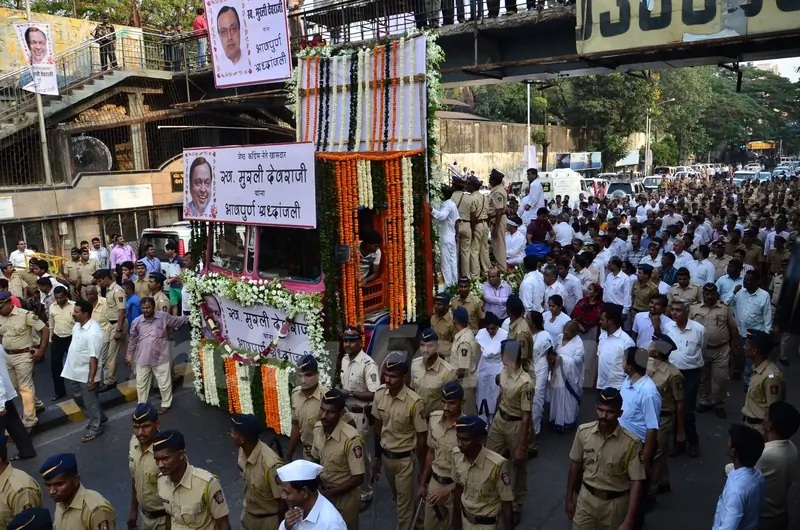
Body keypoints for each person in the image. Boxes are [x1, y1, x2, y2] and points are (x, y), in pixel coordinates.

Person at [565, 388, 646, 530]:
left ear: (620, 413)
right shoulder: (583, 433)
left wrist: (629, 520)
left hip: (614, 506)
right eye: (600, 410)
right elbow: (575, 465)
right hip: (586, 499)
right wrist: (569, 498)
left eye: (610, 412)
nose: (604, 416)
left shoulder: (632, 444)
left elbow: (636, 482)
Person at [371, 352, 427, 530]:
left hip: (405, 461)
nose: (387, 380)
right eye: (386, 375)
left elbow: (421, 438)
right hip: (386, 458)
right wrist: (377, 458)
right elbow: (377, 429)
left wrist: (422, 469)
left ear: (404, 377)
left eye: (393, 376)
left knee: (403, 506)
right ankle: (417, 523)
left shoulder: (414, 402)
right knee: (399, 498)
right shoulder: (379, 394)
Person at [486, 339, 532, 524]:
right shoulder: (504, 371)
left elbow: (526, 416)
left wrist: (522, 445)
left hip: (516, 425)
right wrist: (493, 418)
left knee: (518, 466)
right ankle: (491, 495)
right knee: (489, 457)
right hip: (500, 419)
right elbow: (501, 394)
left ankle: (516, 504)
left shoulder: (525, 382)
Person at [155, 430, 232, 529]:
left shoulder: (207, 484)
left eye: (165, 458)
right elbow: (170, 516)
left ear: (181, 454)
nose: (160, 465)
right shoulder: (161, 481)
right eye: (157, 460)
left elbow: (223, 524)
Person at [618, 347, 661, 524]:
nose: (622, 363)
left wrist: (645, 458)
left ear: (629, 366)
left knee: (637, 489)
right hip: (622, 442)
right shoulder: (627, 381)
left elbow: (652, 429)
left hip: (638, 446)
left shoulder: (648, 392)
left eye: (623, 360)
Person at [125, 297, 189, 414]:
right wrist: (129, 356)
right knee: (141, 385)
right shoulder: (137, 322)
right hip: (142, 358)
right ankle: (142, 405)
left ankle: (166, 404)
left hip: (161, 358)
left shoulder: (163, 317)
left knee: (164, 384)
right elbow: (132, 340)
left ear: (153, 307)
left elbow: (177, 321)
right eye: (143, 308)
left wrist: (192, 317)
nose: (145, 310)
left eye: (148, 307)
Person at [338, 326, 380, 503]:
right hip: (345, 413)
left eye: (352, 340)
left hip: (360, 416)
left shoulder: (368, 365)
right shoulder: (344, 360)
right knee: (349, 452)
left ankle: (365, 492)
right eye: (346, 340)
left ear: (360, 342)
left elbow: (375, 393)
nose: (348, 344)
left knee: (359, 455)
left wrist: (350, 394)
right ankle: (354, 484)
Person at [310, 390, 363, 529]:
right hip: (322, 492)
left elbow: (358, 478)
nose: (323, 416)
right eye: (322, 409)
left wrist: (327, 493)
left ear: (341, 413)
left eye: (330, 412)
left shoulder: (351, 439)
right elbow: (315, 459)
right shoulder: (317, 429)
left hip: (345, 499)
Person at [0, 291, 49, 433]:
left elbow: (44, 329)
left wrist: (41, 350)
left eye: (1, 307)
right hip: (7, 356)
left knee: (25, 387)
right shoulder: (1, 316)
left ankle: (29, 420)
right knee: (15, 386)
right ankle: (37, 404)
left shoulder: (25, 315)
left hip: (23, 356)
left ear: (9, 303)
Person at [663, 298, 706, 458]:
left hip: (691, 374)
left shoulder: (699, 329)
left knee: (687, 410)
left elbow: (703, 346)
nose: (674, 313)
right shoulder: (668, 327)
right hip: (672, 372)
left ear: (687, 312)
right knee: (673, 409)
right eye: (672, 309)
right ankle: (678, 443)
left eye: (678, 310)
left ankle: (693, 442)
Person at [690, 283, 739, 419]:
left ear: (717, 294)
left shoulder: (724, 308)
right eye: (707, 294)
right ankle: (705, 401)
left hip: (721, 350)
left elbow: (733, 328)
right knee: (703, 378)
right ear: (703, 294)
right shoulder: (694, 308)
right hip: (702, 350)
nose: (710, 296)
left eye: (712, 294)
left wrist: (736, 346)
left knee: (721, 378)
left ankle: (719, 404)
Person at [418, 381, 463, 530]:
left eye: (451, 403)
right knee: (430, 526)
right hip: (435, 483)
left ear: (461, 402)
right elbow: (430, 453)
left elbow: (470, 470)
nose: (446, 408)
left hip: (456, 488)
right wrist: (423, 483)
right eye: (443, 402)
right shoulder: (434, 419)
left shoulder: (467, 428)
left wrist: (448, 489)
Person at [748, 402, 799, 530]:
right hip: (780, 513)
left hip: (763, 519)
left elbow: (739, 472)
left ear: (770, 425)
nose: (763, 417)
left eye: (766, 415)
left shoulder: (765, 454)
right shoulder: (792, 448)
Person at [62, 300, 106, 442]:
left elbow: (94, 358)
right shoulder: (77, 326)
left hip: (87, 374)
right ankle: (99, 417)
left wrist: (91, 380)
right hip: (73, 372)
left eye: (76, 311)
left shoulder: (93, 332)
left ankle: (95, 427)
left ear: (85, 314)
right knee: (77, 398)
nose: (73, 313)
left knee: (89, 402)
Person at [232, 413, 285, 530]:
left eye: (234, 433)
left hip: (268, 522)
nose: (231, 435)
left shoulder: (271, 465)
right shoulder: (242, 450)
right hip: (248, 516)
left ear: (242, 439)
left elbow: (282, 500)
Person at [646, 334, 684, 497]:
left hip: (663, 418)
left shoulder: (674, 375)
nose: (649, 346)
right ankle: (663, 481)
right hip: (648, 415)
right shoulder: (647, 363)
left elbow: (680, 403)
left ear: (657, 352)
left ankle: (650, 491)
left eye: (652, 345)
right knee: (657, 452)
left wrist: (680, 431)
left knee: (655, 454)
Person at [39, 452, 116, 529]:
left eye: (59, 484)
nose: (52, 491)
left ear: (75, 480)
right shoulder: (61, 500)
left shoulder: (95, 511)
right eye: (48, 485)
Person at [712, 425, 765, 530]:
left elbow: (728, 527)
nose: (727, 442)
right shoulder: (758, 475)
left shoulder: (736, 491)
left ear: (733, 451)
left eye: (729, 440)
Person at [127, 403, 167, 530]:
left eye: (146, 427)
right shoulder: (134, 443)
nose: (140, 433)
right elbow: (135, 479)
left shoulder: (167, 451)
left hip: (166, 520)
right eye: (136, 427)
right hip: (145, 518)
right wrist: (133, 510)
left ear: (157, 425)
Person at [277, 460, 346, 530]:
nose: (283, 496)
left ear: (304, 491)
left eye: (287, 492)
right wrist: (286, 526)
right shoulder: (297, 509)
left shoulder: (332, 524)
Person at [741, 330, 785, 435]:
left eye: (746, 345)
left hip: (759, 430)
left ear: (755, 350)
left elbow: (774, 411)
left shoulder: (771, 377)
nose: (743, 347)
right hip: (749, 424)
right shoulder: (757, 368)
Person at [410, 329, 457, 419]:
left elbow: (452, 403)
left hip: (436, 421)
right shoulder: (415, 365)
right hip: (417, 419)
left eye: (430, 346)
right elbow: (412, 390)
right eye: (422, 345)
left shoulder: (447, 372)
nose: (425, 350)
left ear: (437, 347)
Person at [92, 269, 126, 391]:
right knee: (107, 354)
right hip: (111, 325)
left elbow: (122, 311)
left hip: (117, 324)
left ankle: (110, 381)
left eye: (100, 280)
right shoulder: (109, 290)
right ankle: (108, 379)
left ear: (107, 278)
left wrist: (119, 330)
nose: (99, 283)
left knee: (111, 355)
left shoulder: (117, 291)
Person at [288, 355, 327, 461]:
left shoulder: (327, 396)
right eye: (299, 376)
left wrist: (320, 448)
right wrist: (289, 454)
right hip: (307, 454)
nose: (303, 380)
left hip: (327, 455)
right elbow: (296, 425)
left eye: (307, 375)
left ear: (317, 375)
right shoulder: (295, 394)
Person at [548, 320, 584, 432]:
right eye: (564, 330)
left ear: (575, 333)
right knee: (557, 396)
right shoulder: (559, 337)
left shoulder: (578, 342)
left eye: (568, 331)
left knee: (569, 398)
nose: (565, 333)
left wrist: (561, 359)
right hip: (557, 374)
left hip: (570, 376)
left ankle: (568, 421)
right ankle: (556, 419)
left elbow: (578, 359)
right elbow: (554, 350)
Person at [475, 312, 508, 423]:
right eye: (488, 328)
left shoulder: (504, 334)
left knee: (495, 394)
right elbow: (477, 352)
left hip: (498, 367)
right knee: (482, 393)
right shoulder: (481, 333)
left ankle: (494, 421)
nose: (490, 331)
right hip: (484, 367)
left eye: (493, 329)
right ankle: (482, 419)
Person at [595, 303, 635, 390]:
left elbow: (631, 369)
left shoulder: (627, 342)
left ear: (610, 321)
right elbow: (600, 357)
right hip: (601, 385)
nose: (600, 322)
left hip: (618, 388)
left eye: (602, 320)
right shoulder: (602, 335)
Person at [48, 286, 74, 401]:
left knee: (76, 365)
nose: (59, 300)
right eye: (57, 298)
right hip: (57, 338)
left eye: (61, 298)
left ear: (66, 295)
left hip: (72, 338)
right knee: (55, 366)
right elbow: (51, 324)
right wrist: (51, 339)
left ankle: (80, 390)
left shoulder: (74, 306)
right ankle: (59, 392)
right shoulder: (52, 307)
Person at [431, 187, 459, 287]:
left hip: (446, 238)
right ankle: (455, 283)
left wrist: (432, 210)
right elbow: (457, 221)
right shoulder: (452, 204)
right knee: (452, 261)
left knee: (446, 263)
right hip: (451, 236)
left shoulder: (447, 205)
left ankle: (449, 285)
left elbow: (442, 216)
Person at [488, 169, 508, 270]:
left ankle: (502, 269)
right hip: (497, 220)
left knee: (499, 247)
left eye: (491, 178)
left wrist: (496, 227)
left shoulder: (498, 192)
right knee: (497, 246)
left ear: (495, 180)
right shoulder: (497, 190)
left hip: (497, 220)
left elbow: (499, 210)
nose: (489, 180)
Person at [430, 293, 455, 358]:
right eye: (435, 304)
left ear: (447, 306)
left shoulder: (452, 322)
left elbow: (456, 344)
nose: (435, 306)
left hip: (446, 358)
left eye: (439, 304)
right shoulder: (433, 318)